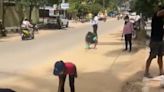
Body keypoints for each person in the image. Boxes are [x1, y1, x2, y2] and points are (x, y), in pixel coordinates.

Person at [144, 5, 164, 78]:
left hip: (160, 40)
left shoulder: (161, 18)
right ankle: (146, 72)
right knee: (151, 56)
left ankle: (161, 71)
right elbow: (160, 13)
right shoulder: (156, 15)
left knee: (160, 56)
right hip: (155, 40)